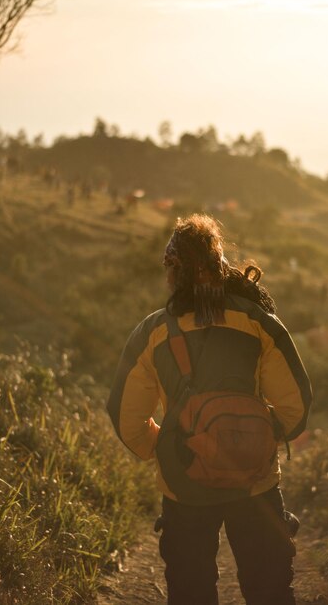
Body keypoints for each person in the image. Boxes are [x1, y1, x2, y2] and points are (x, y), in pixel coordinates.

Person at [107, 214, 312, 605]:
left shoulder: (153, 333)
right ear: (220, 267)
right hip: (255, 482)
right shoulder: (258, 322)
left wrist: (165, 445)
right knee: (270, 589)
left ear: (173, 272)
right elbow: (296, 407)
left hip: (184, 484)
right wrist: (255, 438)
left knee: (190, 592)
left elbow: (127, 419)